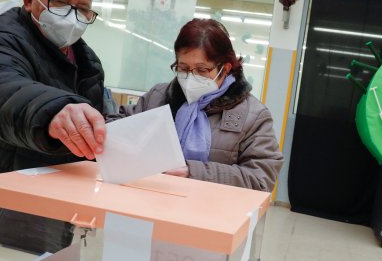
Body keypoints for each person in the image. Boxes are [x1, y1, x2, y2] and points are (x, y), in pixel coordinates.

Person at [0, 0, 107, 254]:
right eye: (60, 2)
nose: (72, 16)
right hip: (5, 191)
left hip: (57, 193)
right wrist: (54, 110)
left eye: (83, 8)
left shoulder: (87, 60)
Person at [112, 18, 283, 191]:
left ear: (225, 69)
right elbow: (119, 127)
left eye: (202, 70)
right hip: (150, 199)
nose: (190, 78)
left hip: (211, 212)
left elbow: (261, 178)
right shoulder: (158, 97)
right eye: (183, 68)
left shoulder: (253, 115)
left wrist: (193, 172)